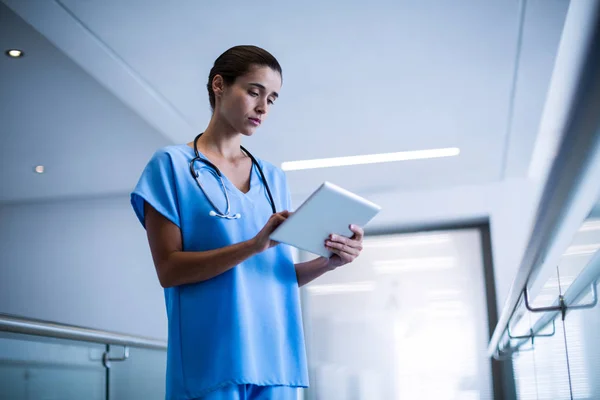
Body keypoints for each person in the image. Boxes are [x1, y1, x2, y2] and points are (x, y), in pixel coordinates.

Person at [130, 45, 365, 400]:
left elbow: (273, 277)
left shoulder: (273, 178)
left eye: (272, 99)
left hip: (277, 363)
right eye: (254, 92)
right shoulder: (172, 165)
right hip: (211, 361)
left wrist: (326, 264)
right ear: (219, 85)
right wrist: (252, 246)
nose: (263, 108)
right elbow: (169, 270)